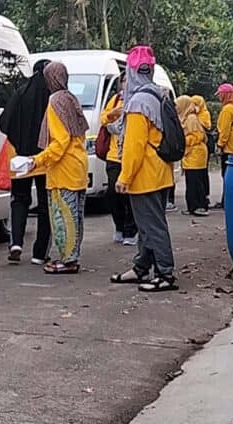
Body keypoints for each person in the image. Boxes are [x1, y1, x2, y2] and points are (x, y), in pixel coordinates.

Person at [110, 46, 177, 292]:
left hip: (145, 175)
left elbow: (134, 146)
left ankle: (165, 273)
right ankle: (141, 267)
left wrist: (124, 176)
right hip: (160, 171)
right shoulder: (159, 94)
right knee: (148, 225)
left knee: (153, 226)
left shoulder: (138, 102)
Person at [28, 62, 89, 274]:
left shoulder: (54, 101)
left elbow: (60, 141)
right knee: (75, 216)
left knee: (63, 217)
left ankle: (68, 260)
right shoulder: (71, 99)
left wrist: (38, 159)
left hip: (63, 170)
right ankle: (71, 255)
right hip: (78, 167)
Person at [0, 59, 53, 264]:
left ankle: (16, 243)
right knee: (45, 205)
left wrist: (18, 140)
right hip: (46, 159)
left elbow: (4, 122)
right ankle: (40, 253)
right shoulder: (52, 97)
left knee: (19, 199)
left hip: (21, 159)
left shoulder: (20, 92)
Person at [100, 76, 138, 246]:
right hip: (114, 155)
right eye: (124, 80)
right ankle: (120, 227)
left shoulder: (139, 99)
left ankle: (131, 230)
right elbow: (102, 119)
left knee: (131, 195)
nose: (126, 83)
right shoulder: (115, 100)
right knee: (113, 194)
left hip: (132, 154)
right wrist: (112, 114)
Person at [176, 96, 209, 216]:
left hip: (196, 154)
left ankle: (199, 206)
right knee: (192, 181)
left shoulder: (191, 119)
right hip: (192, 154)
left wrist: (183, 141)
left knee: (195, 181)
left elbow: (198, 135)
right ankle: (193, 207)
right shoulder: (186, 118)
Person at [213, 83, 233, 208]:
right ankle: (228, 200)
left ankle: (227, 202)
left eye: (220, 94)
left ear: (226, 95)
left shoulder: (227, 110)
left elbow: (224, 131)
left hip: (228, 147)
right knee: (231, 176)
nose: (219, 97)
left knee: (226, 176)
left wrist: (220, 145)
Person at [192, 95, 213, 211]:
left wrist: (197, 121)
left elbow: (207, 125)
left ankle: (205, 195)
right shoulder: (192, 115)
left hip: (202, 146)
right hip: (199, 148)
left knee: (202, 173)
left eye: (196, 104)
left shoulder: (204, 114)